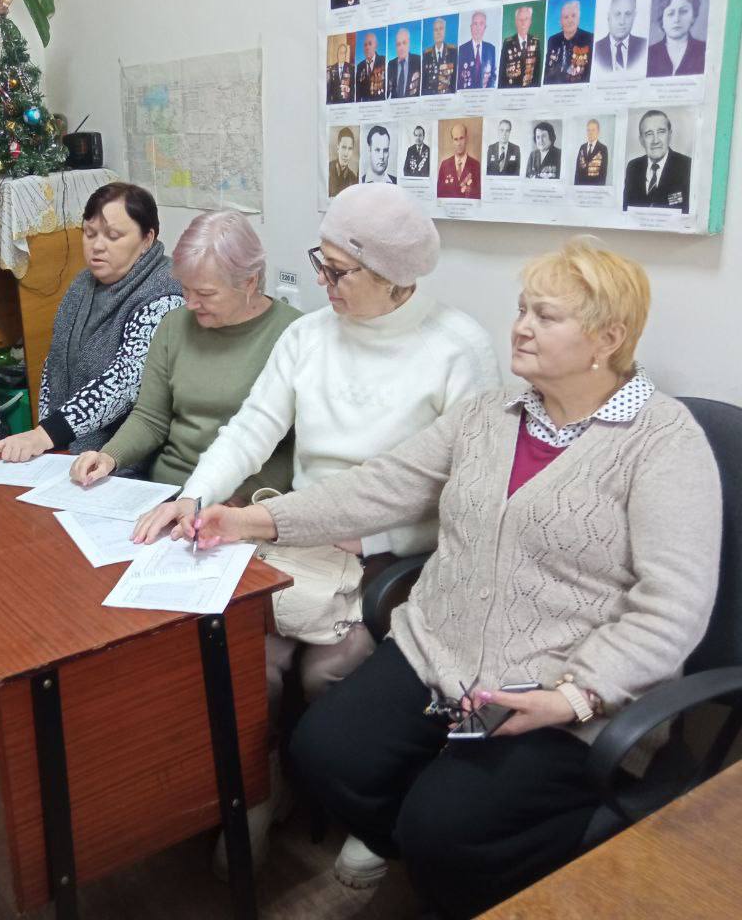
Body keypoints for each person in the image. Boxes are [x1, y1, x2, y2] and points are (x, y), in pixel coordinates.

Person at [186, 238, 721, 918]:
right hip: (440, 648)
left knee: (443, 826)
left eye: (546, 316)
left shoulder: (663, 441)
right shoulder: (490, 414)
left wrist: (575, 696)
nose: (520, 327)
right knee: (322, 754)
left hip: (558, 684)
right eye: (522, 309)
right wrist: (254, 521)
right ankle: (438, 859)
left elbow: (672, 607)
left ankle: (494, 879)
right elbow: (382, 485)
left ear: (608, 339)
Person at [132, 184, 499, 883]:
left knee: (329, 667)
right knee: (246, 654)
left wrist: (380, 540)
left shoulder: (459, 349)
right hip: (302, 530)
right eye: (319, 263)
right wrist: (196, 495)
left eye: (339, 270)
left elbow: (471, 494)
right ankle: (261, 785)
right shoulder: (307, 336)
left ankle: (371, 801)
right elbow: (251, 429)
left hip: (396, 550)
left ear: (394, 277)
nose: (322, 282)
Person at [69, 212, 300, 504]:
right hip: (166, 491)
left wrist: (240, 504)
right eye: (185, 289)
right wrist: (109, 457)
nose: (190, 304)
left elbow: (297, 447)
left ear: (249, 282)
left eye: (205, 293)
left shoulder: (294, 335)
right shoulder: (174, 325)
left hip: (240, 501)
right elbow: (150, 418)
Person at [0, 182, 182, 462]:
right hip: (68, 445)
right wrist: (48, 442)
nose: (97, 246)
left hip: (130, 457)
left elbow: (125, 382)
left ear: (147, 239)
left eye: (113, 236)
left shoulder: (165, 293)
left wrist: (46, 435)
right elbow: (54, 365)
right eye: (89, 233)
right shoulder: (83, 283)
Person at [623, 109, 692, 213]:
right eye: (649, 134)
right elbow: (626, 210)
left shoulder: (687, 166)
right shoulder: (633, 167)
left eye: (661, 132)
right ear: (641, 140)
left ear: (670, 135)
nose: (655, 140)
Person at [647, 0, 707, 78]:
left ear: (693, 15)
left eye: (683, 12)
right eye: (670, 13)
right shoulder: (649, 54)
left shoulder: (704, 50)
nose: (676, 19)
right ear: (662, 18)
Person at [595, 0, 647, 75]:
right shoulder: (595, 50)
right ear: (608, 16)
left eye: (628, 14)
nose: (622, 21)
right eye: (617, 14)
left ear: (634, 16)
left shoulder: (644, 46)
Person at [545, 0, 594, 85]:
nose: (570, 20)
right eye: (566, 17)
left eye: (573, 16)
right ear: (560, 21)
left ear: (578, 19)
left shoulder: (589, 38)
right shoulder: (553, 40)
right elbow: (547, 71)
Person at [499, 5, 542, 88]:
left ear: (530, 21)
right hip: (512, 89)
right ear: (516, 22)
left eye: (526, 19)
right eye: (520, 19)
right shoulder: (507, 43)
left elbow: (537, 72)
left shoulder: (536, 42)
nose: (523, 23)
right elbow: (502, 72)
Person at [437, 122, 480, 199]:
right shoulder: (444, 165)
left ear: (466, 139)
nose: (459, 143)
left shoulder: (476, 165)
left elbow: (478, 195)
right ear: (452, 141)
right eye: (456, 139)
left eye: (461, 138)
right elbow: (439, 195)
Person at [457, 12, 497, 90]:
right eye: (475, 24)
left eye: (481, 24)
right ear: (471, 27)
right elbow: (459, 79)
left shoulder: (491, 49)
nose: (478, 28)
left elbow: (493, 75)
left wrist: (487, 91)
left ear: (485, 27)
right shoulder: (461, 50)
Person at [422, 18, 457, 95]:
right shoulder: (426, 55)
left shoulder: (453, 52)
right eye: (436, 30)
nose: (438, 32)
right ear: (433, 33)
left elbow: (455, 81)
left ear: (445, 31)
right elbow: (423, 84)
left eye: (441, 29)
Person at [389, 27, 421, 99]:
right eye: (398, 44)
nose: (401, 47)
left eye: (404, 43)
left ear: (409, 44)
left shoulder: (418, 61)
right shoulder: (391, 64)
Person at [574, 119, 609, 186]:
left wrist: (598, 190)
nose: (590, 133)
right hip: (581, 187)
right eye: (588, 130)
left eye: (593, 130)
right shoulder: (582, 147)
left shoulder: (603, 149)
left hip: (595, 188)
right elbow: (577, 172)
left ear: (598, 132)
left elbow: (603, 174)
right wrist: (576, 188)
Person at [356, 31, 386, 102]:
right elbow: (358, 92)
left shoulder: (383, 61)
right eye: (365, 45)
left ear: (376, 46)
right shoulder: (360, 66)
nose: (367, 47)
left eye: (370, 44)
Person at [330, 127, 359, 196]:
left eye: (350, 148)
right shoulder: (327, 170)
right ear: (338, 148)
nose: (346, 154)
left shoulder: (354, 179)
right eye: (343, 147)